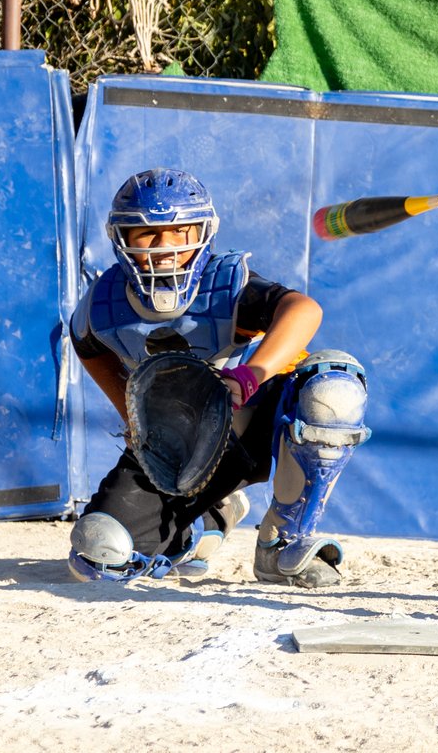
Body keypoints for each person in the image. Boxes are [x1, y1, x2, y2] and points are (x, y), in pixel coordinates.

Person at [66, 167, 371, 587]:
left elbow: (304, 310)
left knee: (332, 388)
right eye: (147, 234)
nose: (165, 247)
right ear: (121, 238)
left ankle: (283, 542)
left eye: (180, 232)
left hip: (257, 417)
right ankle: (205, 524)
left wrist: (249, 376)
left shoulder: (223, 285)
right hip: (177, 441)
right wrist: (132, 418)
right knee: (98, 553)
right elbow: (87, 346)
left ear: (204, 231)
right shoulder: (105, 300)